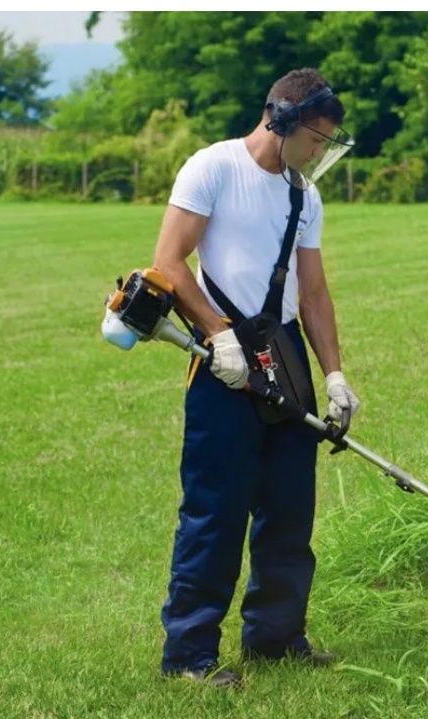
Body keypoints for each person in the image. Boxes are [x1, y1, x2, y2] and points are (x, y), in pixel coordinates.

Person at [151, 67, 361, 689]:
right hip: (222, 357)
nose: (320, 152)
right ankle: (188, 656)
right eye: (317, 140)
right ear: (284, 120)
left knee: (290, 508)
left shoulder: (305, 195)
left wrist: (335, 374)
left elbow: (315, 291)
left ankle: (276, 637)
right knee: (216, 509)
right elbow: (168, 262)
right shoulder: (212, 168)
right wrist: (217, 335)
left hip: (284, 352)